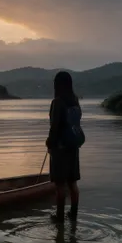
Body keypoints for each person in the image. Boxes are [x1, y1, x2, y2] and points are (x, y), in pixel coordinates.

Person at [46, 71, 84, 222]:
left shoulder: (57, 102)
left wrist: (49, 144)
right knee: (72, 182)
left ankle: (59, 217)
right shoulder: (75, 101)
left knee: (60, 185)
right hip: (73, 147)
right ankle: (73, 215)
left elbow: (54, 127)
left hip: (60, 148)